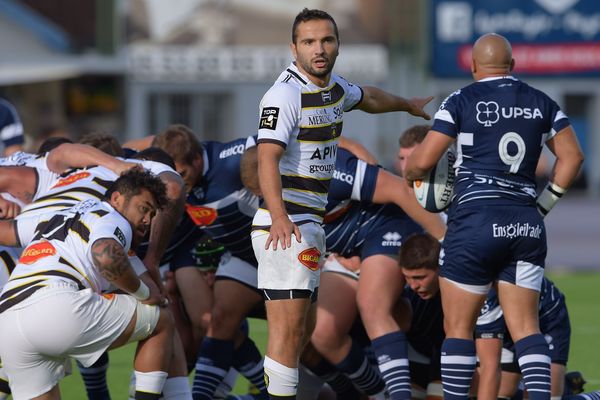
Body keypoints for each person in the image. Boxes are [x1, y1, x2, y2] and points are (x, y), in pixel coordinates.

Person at [251, 8, 434, 399]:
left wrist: (406, 104)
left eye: (327, 40)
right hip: (288, 226)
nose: (319, 49)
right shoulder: (285, 94)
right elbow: (265, 157)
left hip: (309, 226)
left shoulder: (332, 87)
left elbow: (368, 97)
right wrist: (280, 218)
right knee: (287, 334)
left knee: (304, 332)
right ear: (293, 48)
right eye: (309, 42)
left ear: (337, 45)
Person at [405, 33, 584, 400]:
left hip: (475, 220)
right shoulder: (542, 102)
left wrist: (412, 176)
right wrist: (543, 206)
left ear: (472, 67)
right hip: (525, 222)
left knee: (457, 329)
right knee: (526, 328)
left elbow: (423, 160)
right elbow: (573, 157)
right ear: (513, 66)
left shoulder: (461, 99)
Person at [0, 169, 174, 400]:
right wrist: (143, 294)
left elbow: (7, 231)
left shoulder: (59, 216)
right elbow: (105, 255)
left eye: (152, 215)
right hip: (54, 306)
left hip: (7, 321)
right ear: (116, 199)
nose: (147, 221)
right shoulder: (113, 218)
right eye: (144, 209)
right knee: (161, 319)